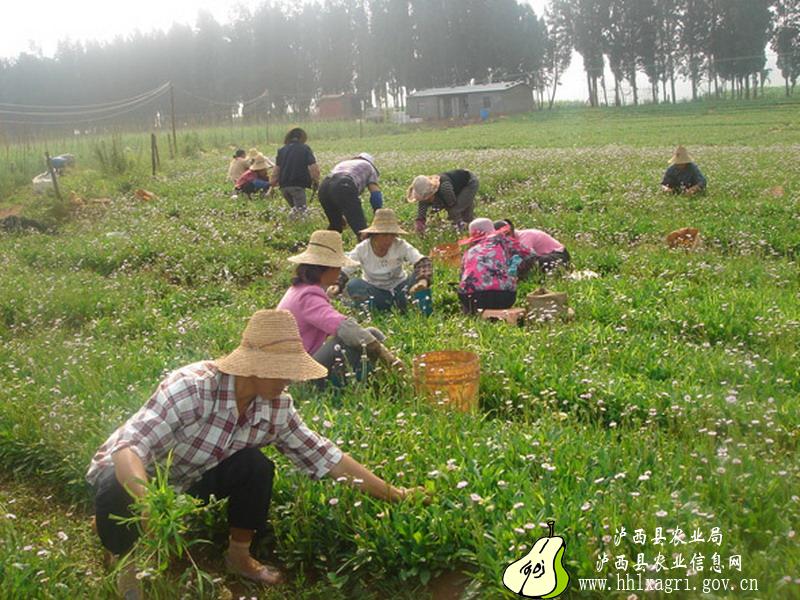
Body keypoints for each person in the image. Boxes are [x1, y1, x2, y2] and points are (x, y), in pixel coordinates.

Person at [86, 309, 423, 598]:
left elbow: (324, 456)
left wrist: (395, 495)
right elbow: (129, 448)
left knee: (256, 466)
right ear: (254, 366)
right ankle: (123, 557)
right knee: (116, 489)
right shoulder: (192, 388)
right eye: (283, 369)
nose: (290, 379)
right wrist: (148, 502)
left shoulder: (276, 406)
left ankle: (238, 556)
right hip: (139, 476)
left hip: (189, 481)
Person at [277, 230, 404, 386]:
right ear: (326, 268)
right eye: (338, 268)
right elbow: (344, 327)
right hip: (296, 375)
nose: (339, 273)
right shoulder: (308, 297)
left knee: (370, 333)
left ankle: (389, 374)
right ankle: (373, 380)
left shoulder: (300, 289)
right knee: (349, 340)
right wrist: (383, 354)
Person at [327, 208, 432, 312]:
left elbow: (422, 261)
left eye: (392, 235)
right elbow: (345, 269)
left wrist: (422, 281)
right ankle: (382, 307)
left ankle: (423, 312)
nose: (388, 239)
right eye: (384, 235)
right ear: (374, 235)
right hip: (375, 291)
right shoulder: (362, 249)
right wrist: (336, 285)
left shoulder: (400, 245)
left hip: (401, 288)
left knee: (418, 276)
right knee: (354, 284)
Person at [458, 218, 534, 315]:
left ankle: (472, 312)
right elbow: (528, 253)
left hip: (472, 299)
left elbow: (462, 277)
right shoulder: (502, 240)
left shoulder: (469, 252)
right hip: (504, 297)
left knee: (467, 291)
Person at [317, 153, 383, 238]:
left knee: (336, 226)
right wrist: (378, 211)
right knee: (362, 231)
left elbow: (334, 187)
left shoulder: (344, 163)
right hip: (344, 185)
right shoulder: (369, 166)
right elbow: (375, 193)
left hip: (324, 187)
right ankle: (365, 249)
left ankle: (322, 248)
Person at [407, 169, 479, 234]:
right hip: (456, 187)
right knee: (461, 209)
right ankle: (468, 225)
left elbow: (452, 204)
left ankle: (462, 228)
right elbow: (422, 209)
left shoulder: (444, 188)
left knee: (456, 209)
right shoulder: (424, 196)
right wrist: (420, 222)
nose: (425, 200)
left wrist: (438, 209)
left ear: (432, 193)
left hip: (469, 182)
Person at [270, 128, 320, 218]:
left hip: (284, 186)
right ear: (302, 137)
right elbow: (313, 167)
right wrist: (316, 180)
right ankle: (298, 228)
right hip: (297, 185)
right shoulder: (305, 149)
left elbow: (276, 169)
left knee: (295, 210)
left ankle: (292, 225)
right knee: (301, 213)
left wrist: (272, 184)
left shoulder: (282, 150)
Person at [494, 219, 571, 274]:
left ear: (512, 230)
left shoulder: (525, 237)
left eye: (507, 234)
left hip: (559, 256)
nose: (505, 238)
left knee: (527, 261)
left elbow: (523, 256)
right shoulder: (507, 242)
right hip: (543, 256)